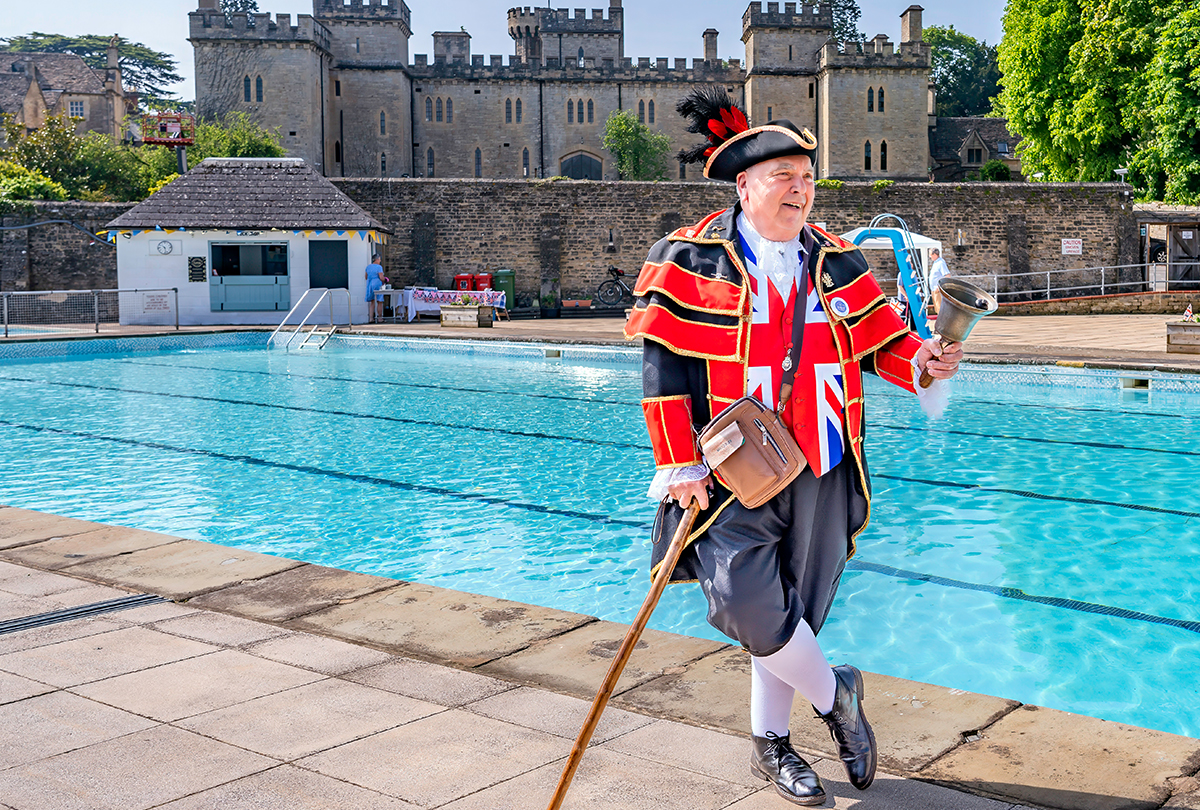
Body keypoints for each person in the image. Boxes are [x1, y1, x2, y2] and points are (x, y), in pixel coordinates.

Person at [624, 88, 962, 806]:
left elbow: (880, 345)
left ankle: (772, 748)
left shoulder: (837, 260)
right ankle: (838, 699)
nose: (800, 193)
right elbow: (663, 365)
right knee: (745, 602)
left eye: (807, 180)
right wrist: (676, 459)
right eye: (785, 179)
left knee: (793, 613)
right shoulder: (691, 258)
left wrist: (924, 363)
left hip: (823, 463)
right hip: (729, 472)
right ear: (744, 185)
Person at [365, 253, 388, 323]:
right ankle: (380, 318)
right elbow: (381, 277)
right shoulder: (379, 267)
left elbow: (366, 277)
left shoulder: (368, 267)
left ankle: (371, 318)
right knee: (379, 301)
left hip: (370, 285)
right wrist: (385, 279)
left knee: (372, 302)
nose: (380, 261)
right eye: (380, 259)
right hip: (377, 284)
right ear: (377, 259)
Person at [929, 248, 950, 317]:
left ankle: (944, 324)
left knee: (940, 308)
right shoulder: (936, 263)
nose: (929, 256)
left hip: (938, 290)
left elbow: (947, 275)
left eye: (930, 254)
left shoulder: (941, 263)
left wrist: (939, 287)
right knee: (937, 309)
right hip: (934, 289)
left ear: (934, 254)